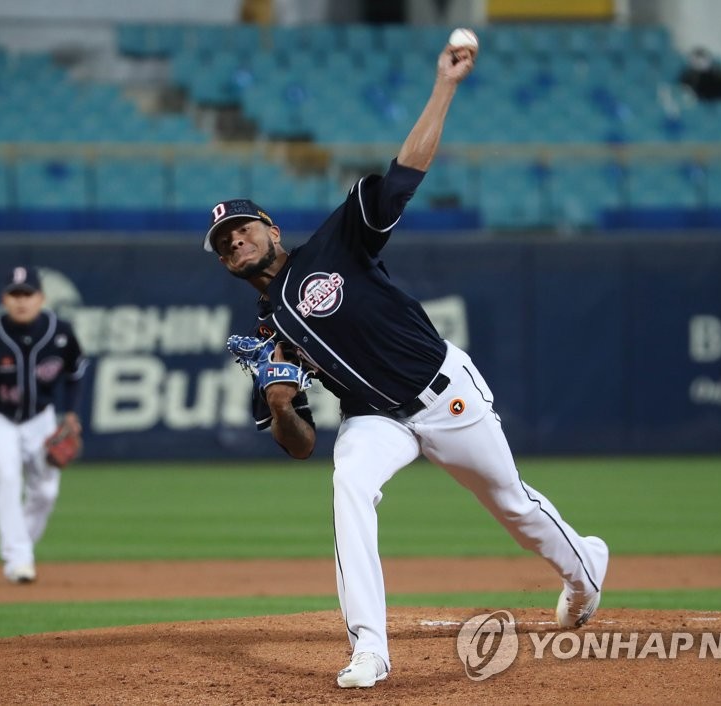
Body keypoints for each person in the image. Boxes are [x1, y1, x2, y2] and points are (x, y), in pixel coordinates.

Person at [204, 32, 609, 689]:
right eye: (223, 241)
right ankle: (370, 648)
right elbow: (300, 445)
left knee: (512, 505)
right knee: (347, 483)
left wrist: (444, 86)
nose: (235, 240)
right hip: (373, 418)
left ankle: (585, 567)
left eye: (243, 227)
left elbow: (403, 177)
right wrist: (280, 404)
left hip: (442, 392)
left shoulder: (334, 243)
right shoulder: (265, 333)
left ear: (271, 228)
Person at [0, 266, 87, 584]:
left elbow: (75, 374)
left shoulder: (61, 333)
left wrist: (71, 413)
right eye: (15, 294)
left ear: (41, 298)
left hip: (41, 418)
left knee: (46, 492)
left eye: (27, 294)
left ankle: (20, 547)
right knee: (8, 477)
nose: (21, 301)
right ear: (4, 299)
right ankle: (19, 560)